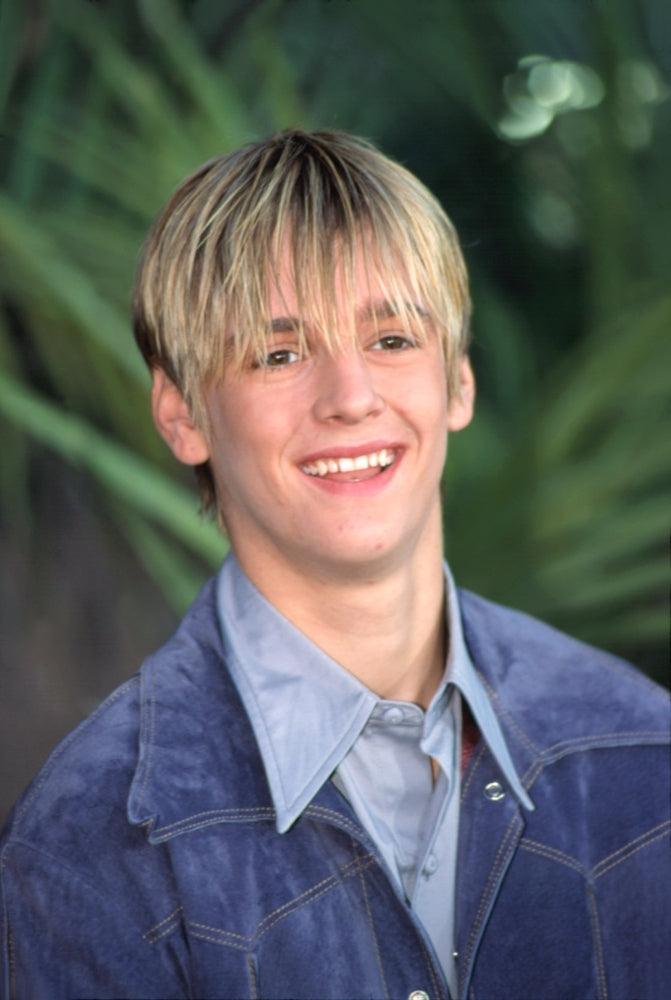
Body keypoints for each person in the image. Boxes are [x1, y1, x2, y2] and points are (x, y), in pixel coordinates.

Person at [1, 129, 669, 1000]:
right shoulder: (87, 849)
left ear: (456, 381)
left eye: (391, 339)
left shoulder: (640, 750)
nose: (351, 398)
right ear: (182, 413)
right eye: (279, 354)